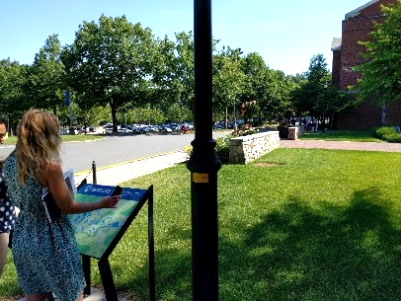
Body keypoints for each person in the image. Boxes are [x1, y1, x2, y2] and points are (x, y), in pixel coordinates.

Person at [3, 109, 121, 301]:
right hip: (52, 238)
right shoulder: (48, 165)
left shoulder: (10, 161)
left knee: (34, 295)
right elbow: (68, 207)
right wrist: (101, 203)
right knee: (72, 293)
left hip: (23, 235)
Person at [0, 118, 16, 278]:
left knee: (27, 259)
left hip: (10, 220)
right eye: (0, 135)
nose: (3, 138)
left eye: (3, 134)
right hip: (1, 226)